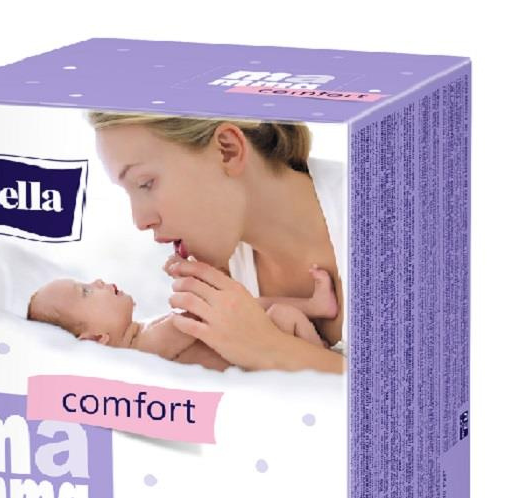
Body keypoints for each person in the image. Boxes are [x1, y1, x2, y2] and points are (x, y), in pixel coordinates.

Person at [90, 112, 346, 375]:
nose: (140, 221)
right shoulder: (226, 268)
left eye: (146, 184)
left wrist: (272, 349)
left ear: (227, 150)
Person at [27, 266, 338, 372]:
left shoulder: (144, 332)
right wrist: (190, 274)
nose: (96, 282)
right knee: (282, 315)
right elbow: (217, 308)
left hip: (261, 350)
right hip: (268, 357)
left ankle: (316, 318)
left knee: (266, 313)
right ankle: (317, 337)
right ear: (97, 339)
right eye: (85, 292)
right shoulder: (147, 346)